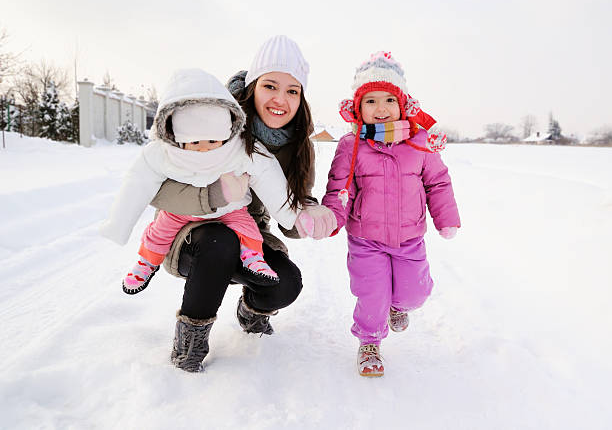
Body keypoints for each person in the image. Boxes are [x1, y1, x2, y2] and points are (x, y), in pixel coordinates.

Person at [149, 35, 337, 372]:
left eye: (292, 90)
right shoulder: (215, 120)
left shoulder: (298, 145)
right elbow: (159, 188)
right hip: (192, 231)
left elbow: (289, 217)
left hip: (250, 236)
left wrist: (309, 215)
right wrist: (215, 197)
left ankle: (251, 312)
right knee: (218, 242)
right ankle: (190, 340)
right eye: (270, 86)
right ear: (252, 87)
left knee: (287, 283)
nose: (281, 99)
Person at [99, 68, 311, 297]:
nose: (203, 148)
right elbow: (137, 183)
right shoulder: (162, 153)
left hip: (231, 209)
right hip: (182, 215)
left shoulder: (240, 148)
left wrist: (295, 215)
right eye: (194, 141)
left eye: (212, 141)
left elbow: (269, 177)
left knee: (248, 229)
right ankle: (146, 263)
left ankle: (254, 260)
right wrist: (118, 225)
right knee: (160, 230)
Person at [321, 51, 461, 377]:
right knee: (371, 295)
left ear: (402, 104)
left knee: (415, 292)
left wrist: (446, 218)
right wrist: (331, 217)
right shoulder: (350, 145)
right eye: (370, 101)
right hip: (365, 239)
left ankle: (400, 307)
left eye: (388, 100)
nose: (380, 108)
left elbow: (438, 182)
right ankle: (369, 342)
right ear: (358, 107)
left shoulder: (420, 143)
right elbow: (340, 188)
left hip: (409, 237)